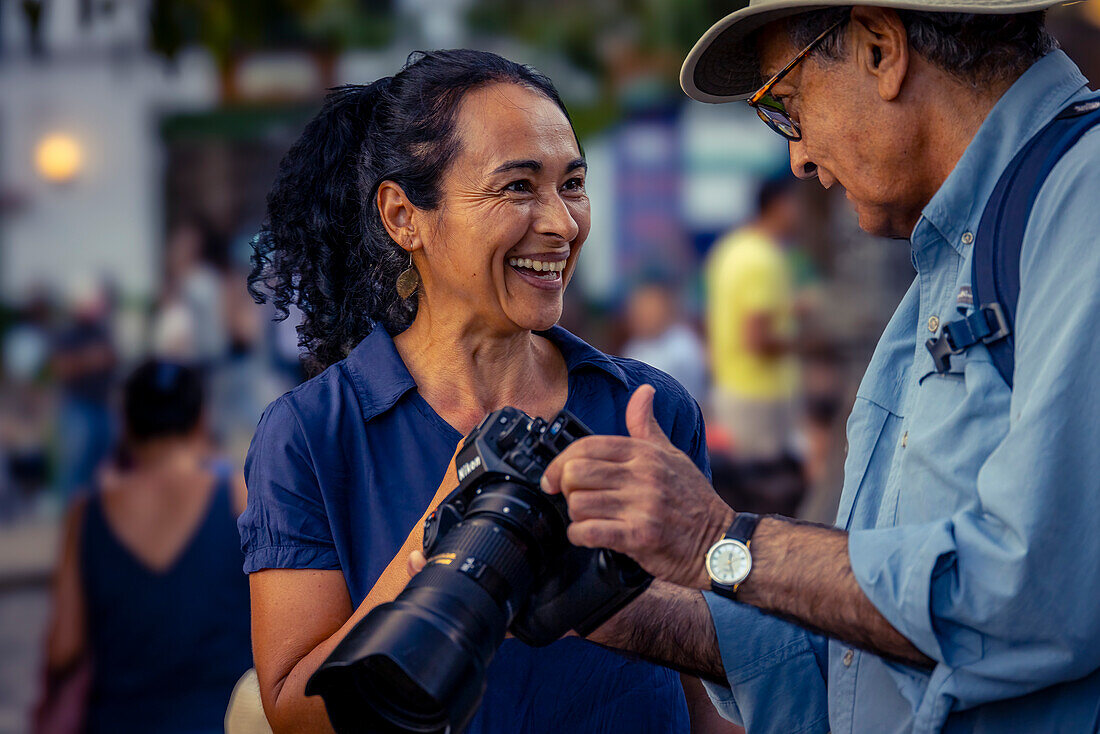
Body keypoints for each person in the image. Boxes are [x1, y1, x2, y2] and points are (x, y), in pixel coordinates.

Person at [535, 4, 1100, 733]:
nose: (797, 157)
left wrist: (721, 543)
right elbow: (873, 655)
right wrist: (607, 603)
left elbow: (1035, 602)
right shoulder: (957, 254)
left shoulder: (1079, 202)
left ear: (877, 49)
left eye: (785, 106)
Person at [240, 49, 733, 734]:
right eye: (517, 187)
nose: (562, 223)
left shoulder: (646, 410)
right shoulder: (313, 434)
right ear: (403, 216)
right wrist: (449, 531)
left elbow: (712, 697)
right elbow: (293, 710)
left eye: (573, 183)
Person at [43, 360, 252, 734]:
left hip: (118, 721)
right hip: (219, 721)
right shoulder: (239, 495)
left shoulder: (85, 513)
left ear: (126, 424)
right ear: (201, 419)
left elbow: (64, 647)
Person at [704, 175, 801, 463]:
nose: (800, 213)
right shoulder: (762, 257)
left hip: (732, 387)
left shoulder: (731, 247)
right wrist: (806, 343)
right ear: (779, 206)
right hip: (761, 397)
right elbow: (757, 339)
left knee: (747, 485)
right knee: (766, 487)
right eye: (796, 204)